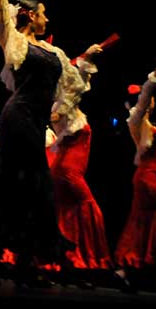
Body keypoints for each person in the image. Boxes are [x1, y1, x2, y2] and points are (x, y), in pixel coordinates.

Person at [0, 0, 87, 287]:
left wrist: (60, 109)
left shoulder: (52, 52)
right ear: (28, 15)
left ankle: (23, 260)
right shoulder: (17, 41)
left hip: (34, 120)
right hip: (18, 119)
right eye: (43, 14)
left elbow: (71, 84)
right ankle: (0, 256)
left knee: (32, 189)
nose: (47, 19)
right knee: (22, 186)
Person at [113, 56, 156, 296]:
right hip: (147, 179)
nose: (150, 101)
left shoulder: (147, 126)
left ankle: (129, 272)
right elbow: (145, 95)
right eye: (147, 98)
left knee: (145, 224)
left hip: (149, 179)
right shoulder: (137, 121)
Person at [49, 44, 114, 286]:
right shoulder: (59, 105)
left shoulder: (68, 103)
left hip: (67, 170)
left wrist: (86, 59)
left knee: (70, 217)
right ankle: (83, 262)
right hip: (68, 171)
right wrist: (85, 60)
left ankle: (73, 264)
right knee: (88, 211)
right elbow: (76, 87)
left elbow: (79, 85)